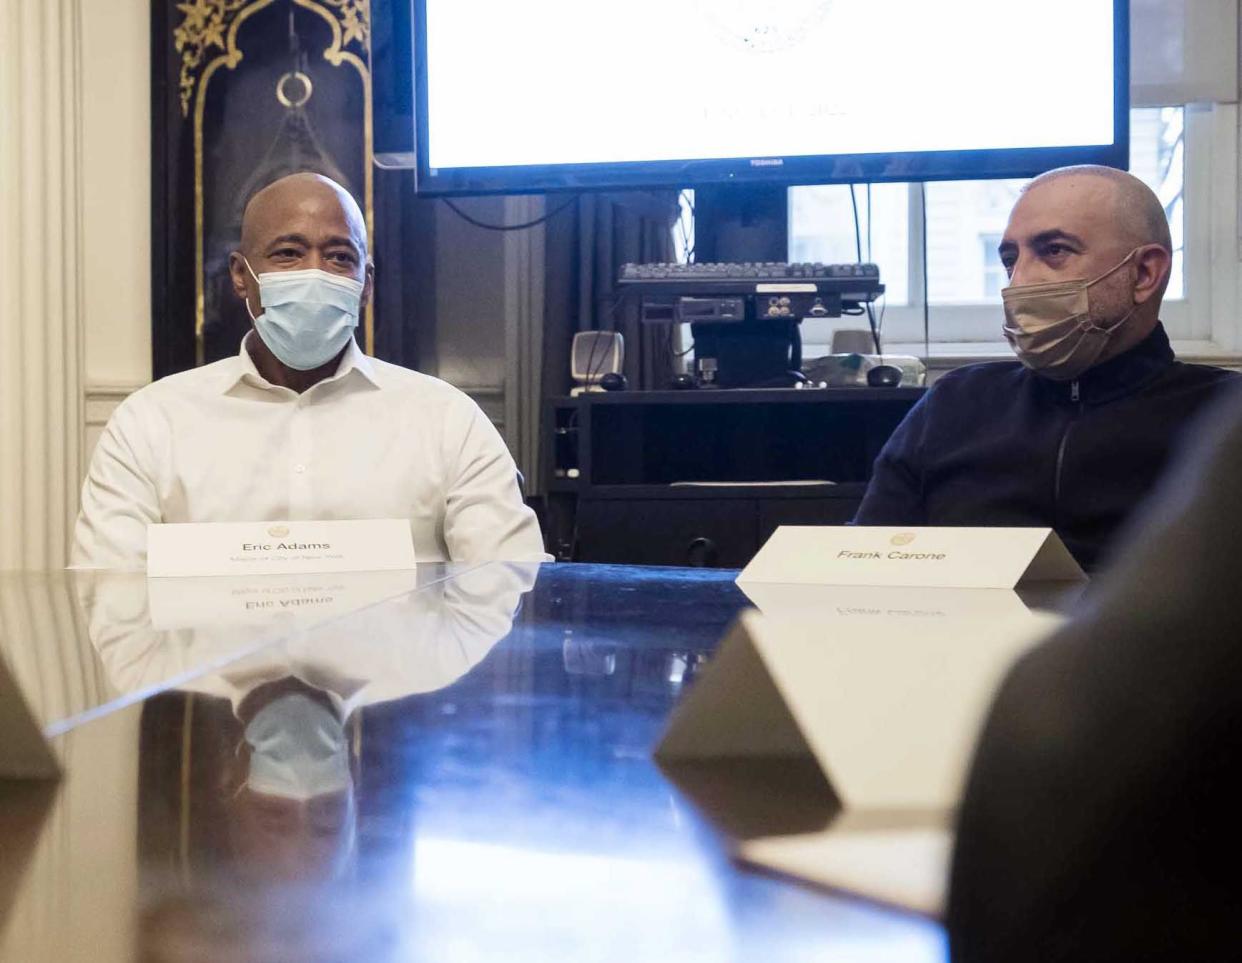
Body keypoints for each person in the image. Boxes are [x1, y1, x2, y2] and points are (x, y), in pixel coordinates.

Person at [72, 172, 548, 568]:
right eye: (288, 253)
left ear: (366, 285)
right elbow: (106, 593)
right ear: (241, 275)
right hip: (208, 683)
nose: (315, 272)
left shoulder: (447, 421)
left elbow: (510, 584)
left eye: (341, 257)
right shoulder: (151, 424)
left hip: (399, 682)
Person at [947, 387, 1242, 962]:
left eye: (1046, 283)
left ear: (1144, 287)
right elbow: (864, 550)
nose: (1021, 293)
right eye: (1010, 285)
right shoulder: (951, 406)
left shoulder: (1211, 408)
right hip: (923, 699)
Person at [853, 165, 1238, 571]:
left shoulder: (1225, 418)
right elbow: (863, 566)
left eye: (1054, 250)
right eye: (1009, 259)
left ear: (1143, 273)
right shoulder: (954, 404)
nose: (1019, 282)